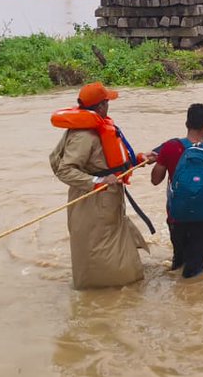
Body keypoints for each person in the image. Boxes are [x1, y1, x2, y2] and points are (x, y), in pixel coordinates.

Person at [50, 82, 152, 290]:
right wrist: (96, 182)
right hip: (93, 202)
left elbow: (109, 163)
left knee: (111, 245)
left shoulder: (97, 129)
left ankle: (120, 286)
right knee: (98, 248)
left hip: (109, 198)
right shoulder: (83, 136)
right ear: (100, 106)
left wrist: (140, 159)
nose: (108, 105)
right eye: (107, 101)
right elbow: (64, 169)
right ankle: (101, 293)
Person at [150, 103, 203, 279]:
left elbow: (155, 180)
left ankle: (176, 299)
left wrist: (160, 160)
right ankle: (192, 301)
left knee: (179, 261)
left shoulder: (170, 147)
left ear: (187, 123)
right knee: (195, 271)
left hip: (176, 217)